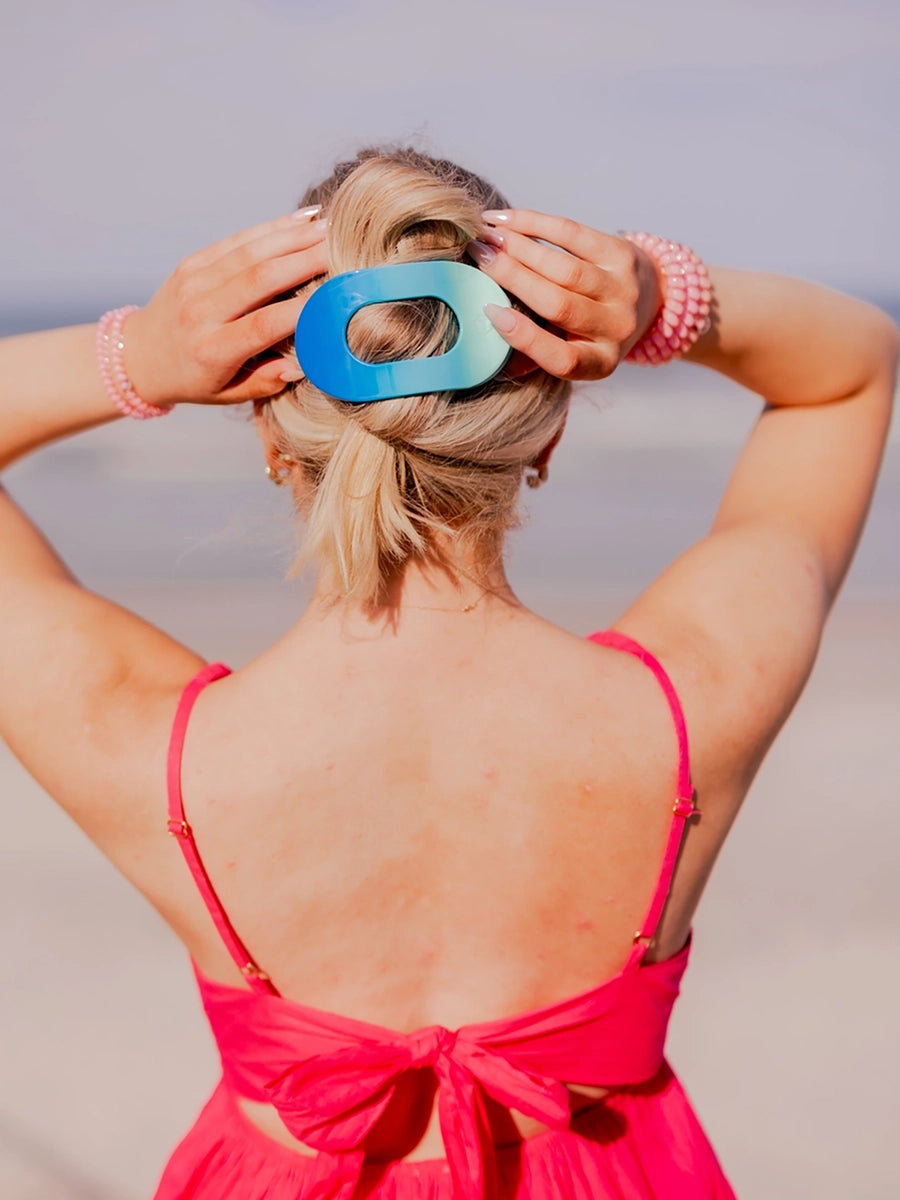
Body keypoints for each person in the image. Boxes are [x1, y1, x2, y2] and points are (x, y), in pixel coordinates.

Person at [0, 145, 896, 1200]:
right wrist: (660, 300)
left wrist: (140, 357)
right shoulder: (689, 703)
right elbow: (853, 370)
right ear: (549, 429)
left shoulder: (151, 748)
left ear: (272, 440)